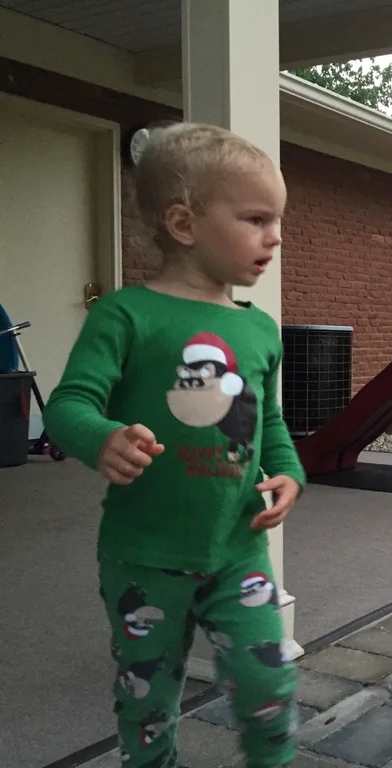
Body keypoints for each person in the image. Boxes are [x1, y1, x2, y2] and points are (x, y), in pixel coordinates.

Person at [44, 122, 306, 767]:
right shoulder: (125, 315)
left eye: (277, 220)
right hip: (144, 557)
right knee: (148, 699)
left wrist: (289, 472)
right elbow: (67, 405)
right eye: (255, 218)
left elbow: (266, 420)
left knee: (269, 681)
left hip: (237, 545)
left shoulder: (260, 329)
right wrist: (101, 436)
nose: (274, 237)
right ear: (184, 223)